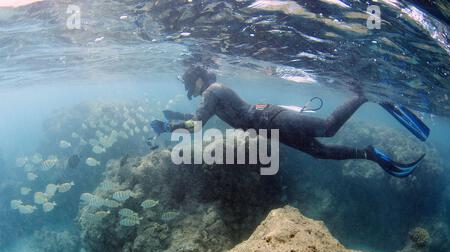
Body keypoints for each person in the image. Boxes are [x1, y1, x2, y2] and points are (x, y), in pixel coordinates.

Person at [151, 66, 430, 178]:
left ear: (198, 79)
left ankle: (364, 95)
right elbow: (198, 120)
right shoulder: (211, 94)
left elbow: (197, 123)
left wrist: (169, 128)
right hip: (268, 127)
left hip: (270, 118)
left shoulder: (212, 91)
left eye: (190, 84)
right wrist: (172, 123)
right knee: (318, 151)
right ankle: (368, 154)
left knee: (327, 129)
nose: (192, 89)